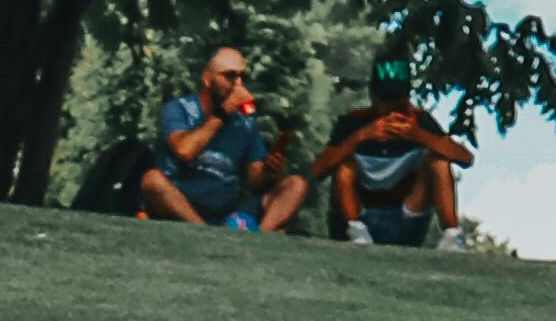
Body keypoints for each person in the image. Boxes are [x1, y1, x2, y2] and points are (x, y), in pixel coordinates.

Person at [137, 45, 305, 232]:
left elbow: (253, 181)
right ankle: (203, 231)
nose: (238, 85)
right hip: (183, 201)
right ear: (207, 78)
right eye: (230, 76)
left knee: (296, 185)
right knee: (152, 180)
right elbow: (184, 150)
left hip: (228, 208)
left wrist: (269, 171)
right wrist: (223, 113)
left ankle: (260, 239)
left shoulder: (245, 122)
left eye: (242, 77)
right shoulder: (178, 108)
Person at [316, 57, 468, 247]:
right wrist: (361, 136)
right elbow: (317, 171)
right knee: (344, 166)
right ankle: (355, 230)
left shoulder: (419, 120)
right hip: (358, 214)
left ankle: (452, 235)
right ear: (373, 96)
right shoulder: (353, 122)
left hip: (406, 216)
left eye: (398, 102)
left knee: (439, 161)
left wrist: (420, 136)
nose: (390, 110)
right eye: (385, 101)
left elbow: (464, 157)